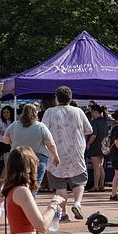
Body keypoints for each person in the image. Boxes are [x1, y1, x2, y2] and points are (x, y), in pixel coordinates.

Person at [41, 86, 93, 220]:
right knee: (79, 181)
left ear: (56, 98)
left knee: (60, 184)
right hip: (75, 152)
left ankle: (63, 213)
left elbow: (43, 131)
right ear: (71, 98)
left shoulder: (49, 112)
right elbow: (89, 130)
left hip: (56, 153)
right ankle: (77, 203)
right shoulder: (78, 111)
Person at [3, 103, 61, 187]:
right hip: (37, 158)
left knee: (17, 184)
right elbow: (50, 144)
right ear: (35, 113)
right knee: (34, 185)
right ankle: (29, 198)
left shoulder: (13, 125)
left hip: (17, 158)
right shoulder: (41, 126)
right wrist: (56, 156)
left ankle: (21, 198)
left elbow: (6, 141)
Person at [86, 103, 112, 193]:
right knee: (101, 167)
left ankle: (96, 186)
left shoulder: (95, 122)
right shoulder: (104, 121)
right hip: (103, 147)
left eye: (92, 111)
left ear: (95, 112)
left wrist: (88, 144)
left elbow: (93, 135)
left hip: (95, 146)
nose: (91, 113)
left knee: (96, 167)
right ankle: (101, 185)